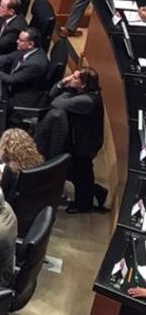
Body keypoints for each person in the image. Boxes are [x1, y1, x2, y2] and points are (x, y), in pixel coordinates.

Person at [49, 68, 107, 213]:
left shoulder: (86, 100)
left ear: (83, 85)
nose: (70, 79)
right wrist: (64, 82)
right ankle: (96, 191)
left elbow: (56, 103)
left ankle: (83, 205)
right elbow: (52, 93)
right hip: (79, 139)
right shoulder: (81, 93)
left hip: (85, 144)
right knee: (75, 171)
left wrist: (67, 90)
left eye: (74, 78)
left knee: (81, 173)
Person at [0, 27, 49, 107]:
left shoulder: (35, 64)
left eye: (21, 40)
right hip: (12, 83)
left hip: (20, 96)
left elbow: (12, 80)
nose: (17, 41)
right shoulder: (27, 49)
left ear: (31, 44)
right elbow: (8, 57)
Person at [0, 128, 44, 201]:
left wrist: (0, 180)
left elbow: (1, 195)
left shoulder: (10, 169)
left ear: (6, 149)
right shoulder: (38, 161)